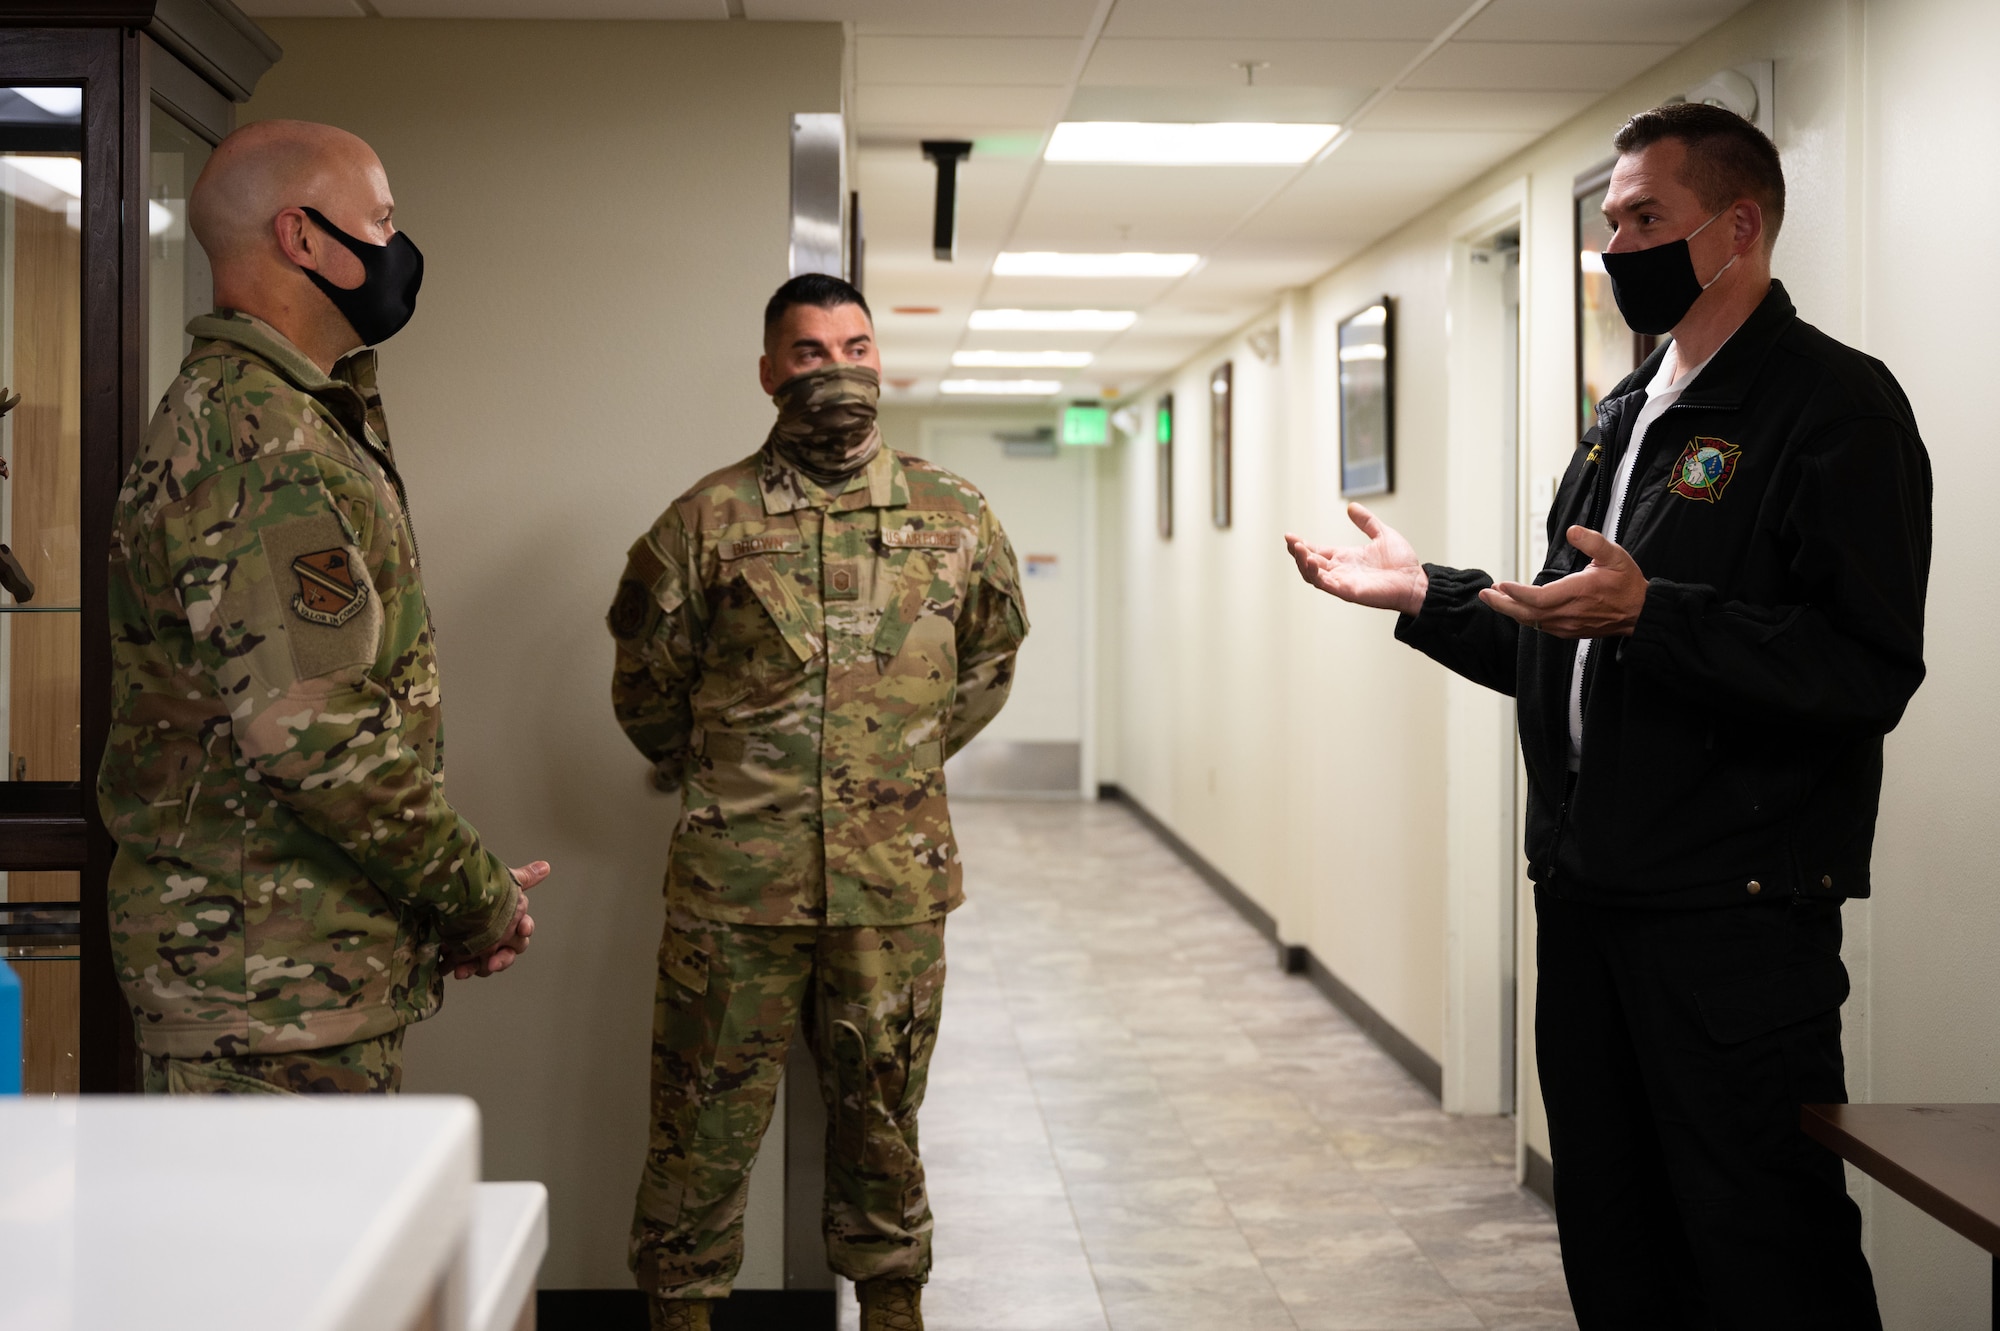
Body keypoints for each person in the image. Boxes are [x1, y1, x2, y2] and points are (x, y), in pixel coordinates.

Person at [1286, 103, 1928, 1329]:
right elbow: (1569, 640)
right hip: (1586, 897)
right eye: (1609, 220)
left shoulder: (1831, 406)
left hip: (1730, 922)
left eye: (1644, 217)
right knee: (1616, 1233)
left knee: (1757, 1241)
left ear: (1736, 228)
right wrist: (1428, 594)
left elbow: (1862, 667)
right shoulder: (1626, 409)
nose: (1616, 244)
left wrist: (1656, 616)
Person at [608, 273, 1028, 1331]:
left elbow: (986, 662)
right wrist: (725, 778)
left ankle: (893, 1313)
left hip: (892, 886)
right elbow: (647, 688)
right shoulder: (701, 521)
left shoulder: (956, 513)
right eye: (807, 350)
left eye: (853, 345)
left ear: (879, 360)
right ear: (767, 371)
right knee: (697, 1132)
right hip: (734, 893)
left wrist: (893, 767)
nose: (835, 368)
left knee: (884, 1127)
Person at [98, 120, 550, 1095]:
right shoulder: (265, 445)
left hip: (291, 974)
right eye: (381, 221)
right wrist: (473, 896)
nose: (398, 248)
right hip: (264, 991)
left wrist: (435, 909)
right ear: (303, 239)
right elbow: (319, 735)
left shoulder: (281, 418)